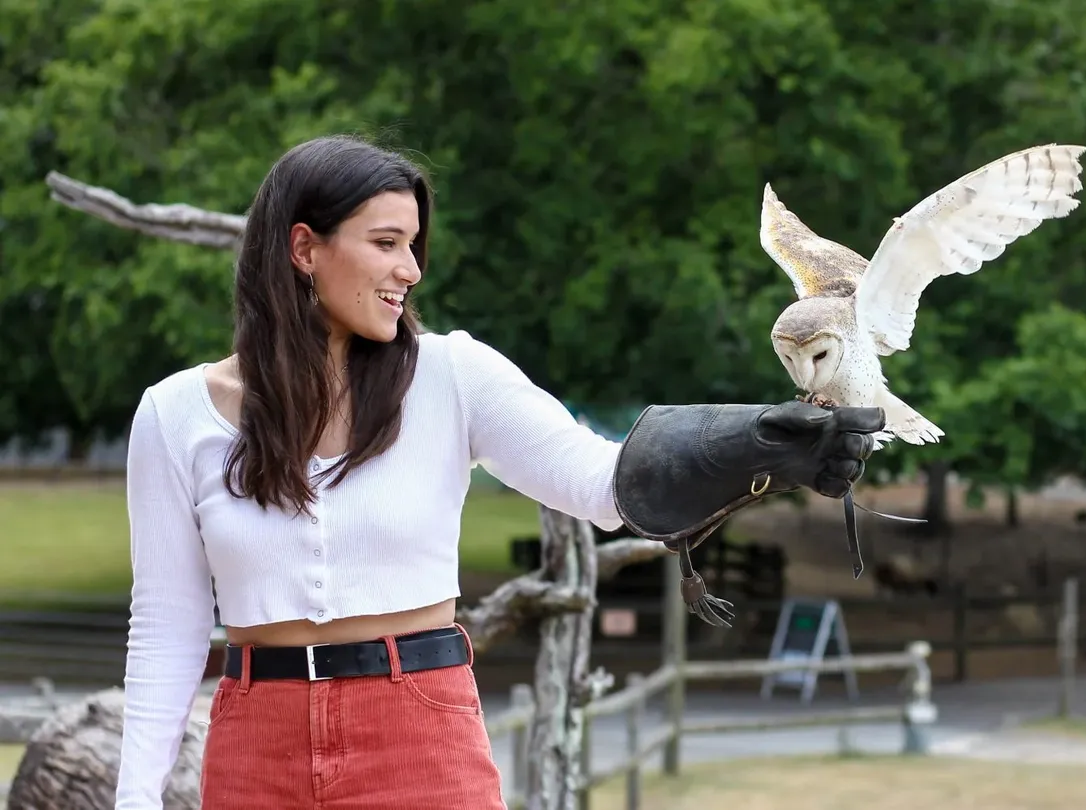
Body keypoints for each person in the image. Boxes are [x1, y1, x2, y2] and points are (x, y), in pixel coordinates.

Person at [114, 134, 884, 809]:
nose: (411, 269)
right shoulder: (175, 415)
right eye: (385, 243)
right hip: (257, 744)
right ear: (304, 247)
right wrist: (136, 799)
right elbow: (167, 624)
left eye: (415, 245)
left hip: (417, 727)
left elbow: (602, 481)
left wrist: (751, 442)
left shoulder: (453, 375)